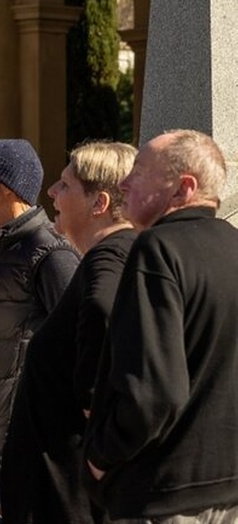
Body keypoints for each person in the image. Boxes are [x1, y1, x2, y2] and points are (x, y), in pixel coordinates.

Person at [84, 130, 238, 522]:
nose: (124, 183)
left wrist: (102, 455)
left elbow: (154, 392)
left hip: (162, 497)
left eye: (139, 171)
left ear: (183, 188)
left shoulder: (158, 250)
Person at [0, 141, 138, 524]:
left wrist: (101, 438)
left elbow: (101, 311)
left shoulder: (108, 256)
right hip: (54, 490)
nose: (51, 194)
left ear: (100, 203)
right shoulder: (112, 256)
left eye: (65, 184)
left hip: (65, 496)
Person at [0, 138, 80, 523]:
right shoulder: (4, 247)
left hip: (16, 447)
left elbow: (76, 347)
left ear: (5, 188)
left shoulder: (48, 252)